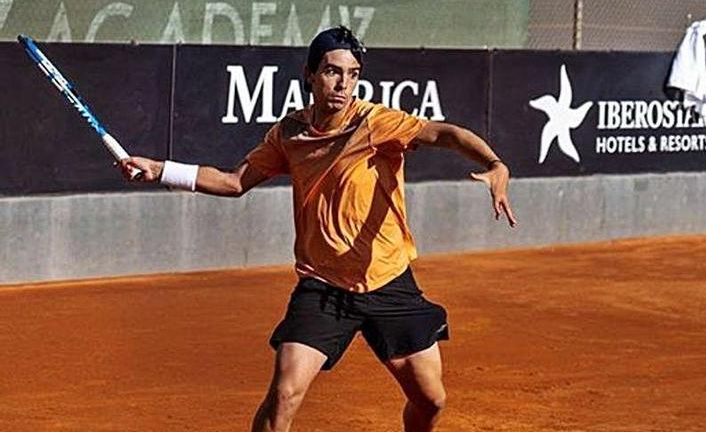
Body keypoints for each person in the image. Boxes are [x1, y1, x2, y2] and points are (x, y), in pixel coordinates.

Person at [119, 26, 517, 432]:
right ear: (310, 75)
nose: (344, 84)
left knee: (431, 400)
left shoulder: (376, 123)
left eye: (353, 74)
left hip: (387, 281)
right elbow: (234, 182)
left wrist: (494, 163)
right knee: (284, 394)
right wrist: (159, 169)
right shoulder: (289, 134)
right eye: (332, 71)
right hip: (323, 287)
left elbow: (445, 133)